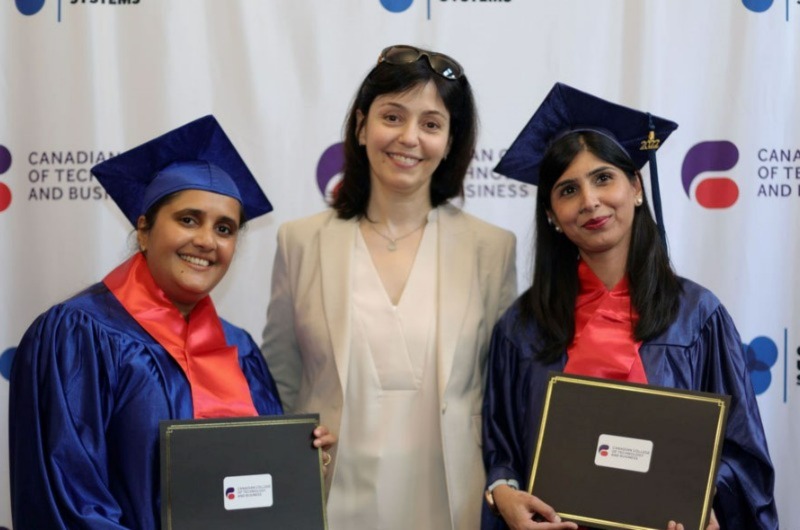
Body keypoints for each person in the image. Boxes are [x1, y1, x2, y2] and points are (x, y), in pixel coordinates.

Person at [8, 115, 335, 530]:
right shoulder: (77, 335)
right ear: (144, 229)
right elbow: (68, 500)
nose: (206, 241)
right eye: (188, 219)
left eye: (224, 228)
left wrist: (298, 465)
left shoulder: (240, 350)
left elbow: (254, 489)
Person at [481, 83, 778, 530]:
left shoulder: (696, 318)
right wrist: (503, 493)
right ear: (552, 216)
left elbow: (742, 453)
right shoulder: (523, 329)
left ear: (636, 186)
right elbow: (502, 452)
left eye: (603, 178)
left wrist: (703, 501)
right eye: (567, 190)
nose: (590, 201)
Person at [261, 44, 517, 529]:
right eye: (392, 117)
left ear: (450, 141)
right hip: (331, 497)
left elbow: (498, 394)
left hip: (450, 501)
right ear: (362, 127)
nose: (409, 138)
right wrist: (288, 450)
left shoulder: (492, 248)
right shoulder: (300, 241)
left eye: (431, 124)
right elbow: (280, 380)